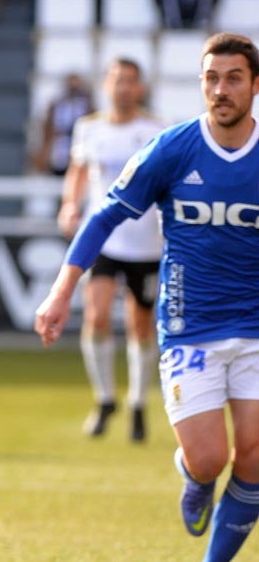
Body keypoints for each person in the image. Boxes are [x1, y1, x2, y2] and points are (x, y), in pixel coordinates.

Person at [36, 33, 259, 562]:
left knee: (256, 454)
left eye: (234, 78)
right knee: (211, 459)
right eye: (212, 78)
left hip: (256, 327)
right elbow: (104, 213)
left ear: (254, 86)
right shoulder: (174, 148)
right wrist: (63, 291)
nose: (221, 89)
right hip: (190, 324)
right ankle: (193, 471)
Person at [57, 58, 167, 442]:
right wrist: (70, 204)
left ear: (140, 88)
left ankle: (137, 402)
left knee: (141, 326)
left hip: (147, 243)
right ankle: (105, 398)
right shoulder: (89, 129)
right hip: (105, 239)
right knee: (97, 315)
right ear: (106, 84)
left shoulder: (156, 129)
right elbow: (78, 173)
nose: (122, 88)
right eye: (117, 80)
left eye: (130, 81)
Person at [33, 72, 93, 177]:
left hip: (80, 144)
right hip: (60, 147)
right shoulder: (57, 104)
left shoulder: (86, 103)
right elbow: (48, 128)